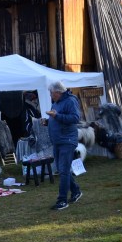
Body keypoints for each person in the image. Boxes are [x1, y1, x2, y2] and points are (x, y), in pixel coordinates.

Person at [44, 81, 82, 211]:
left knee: (64, 170)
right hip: (58, 141)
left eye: (51, 93)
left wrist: (57, 116)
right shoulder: (56, 102)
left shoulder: (70, 101)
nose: (50, 95)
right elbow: (57, 118)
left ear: (58, 92)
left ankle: (62, 201)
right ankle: (76, 191)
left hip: (67, 140)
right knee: (62, 170)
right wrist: (47, 122)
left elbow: (75, 118)